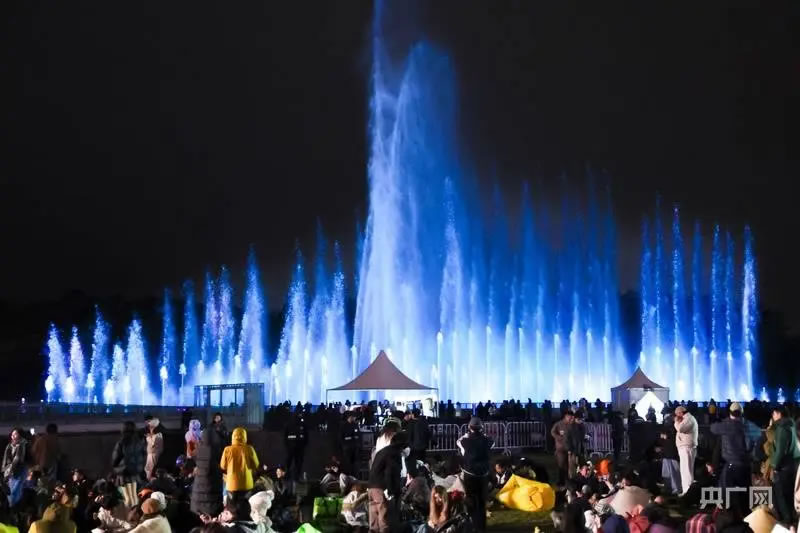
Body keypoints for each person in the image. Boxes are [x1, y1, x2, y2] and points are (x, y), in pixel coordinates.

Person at [709, 401, 751, 515]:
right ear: (741, 413)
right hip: (746, 464)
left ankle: (728, 514)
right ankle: (745, 514)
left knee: (725, 490)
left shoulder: (727, 425)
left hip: (732, 464)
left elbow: (712, 428)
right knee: (745, 492)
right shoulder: (747, 425)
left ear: (730, 412)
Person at [457, 416, 494, 532]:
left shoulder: (464, 441)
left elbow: (459, 441)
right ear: (481, 427)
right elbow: (491, 441)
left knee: (471, 500)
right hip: (483, 474)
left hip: (470, 474)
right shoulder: (488, 441)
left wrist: (468, 434)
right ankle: (481, 527)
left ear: (469, 427)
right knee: (482, 501)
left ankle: (472, 525)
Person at [368, 431, 407, 533]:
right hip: (382, 488)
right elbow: (390, 472)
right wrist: (390, 490)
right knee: (385, 519)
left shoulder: (382, 451)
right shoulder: (394, 453)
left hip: (372, 487)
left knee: (374, 521)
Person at [769, 405, 800, 525]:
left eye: (773, 414)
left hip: (783, 467)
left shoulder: (781, 428)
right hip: (793, 464)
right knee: (791, 494)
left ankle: (787, 523)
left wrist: (774, 466)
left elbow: (780, 451)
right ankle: (793, 520)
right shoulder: (792, 425)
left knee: (781, 497)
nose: (773, 416)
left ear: (778, 413)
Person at [191, 425, 225, 517]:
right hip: (212, 490)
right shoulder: (217, 450)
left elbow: (193, 456)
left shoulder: (198, 450)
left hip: (198, 492)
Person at [220, 427, 260, 499]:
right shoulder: (249, 449)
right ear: (245, 437)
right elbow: (256, 465)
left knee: (233, 504)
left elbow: (223, 466)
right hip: (247, 484)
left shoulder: (227, 450)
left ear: (232, 437)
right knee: (245, 503)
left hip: (232, 485)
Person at [673, 405, 698, 495]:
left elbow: (680, 429)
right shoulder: (686, 419)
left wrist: (676, 422)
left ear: (680, 413)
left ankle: (688, 492)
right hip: (684, 448)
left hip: (687, 448)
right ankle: (685, 491)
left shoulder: (689, 419)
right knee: (684, 471)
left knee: (687, 471)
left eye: (677, 414)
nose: (676, 417)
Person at [2, 428, 28, 507]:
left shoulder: (23, 444)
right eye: (12, 434)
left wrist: (10, 468)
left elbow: (18, 458)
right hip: (11, 472)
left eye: (15, 434)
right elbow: (6, 458)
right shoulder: (9, 445)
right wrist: (6, 469)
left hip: (19, 471)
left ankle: (14, 507)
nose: (13, 436)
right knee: (11, 491)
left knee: (15, 491)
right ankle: (12, 508)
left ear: (20, 435)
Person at [551, 411, 575, 486]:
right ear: (566, 416)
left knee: (569, 465)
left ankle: (568, 480)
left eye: (571, 417)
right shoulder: (558, 424)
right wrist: (559, 437)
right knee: (561, 465)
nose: (571, 418)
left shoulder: (571, 425)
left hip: (569, 448)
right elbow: (552, 432)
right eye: (570, 417)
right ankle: (561, 481)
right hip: (560, 448)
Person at [659, 417, 681, 496]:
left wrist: (666, 436)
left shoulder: (676, 429)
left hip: (672, 454)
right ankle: (670, 488)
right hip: (668, 454)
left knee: (673, 473)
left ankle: (675, 489)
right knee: (668, 473)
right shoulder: (668, 428)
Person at [283, 412, 307, 480]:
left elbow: (285, 436)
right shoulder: (302, 425)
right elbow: (306, 436)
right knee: (297, 463)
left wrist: (287, 445)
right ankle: (296, 476)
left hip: (292, 447)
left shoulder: (288, 424)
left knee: (289, 462)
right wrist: (304, 445)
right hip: (298, 447)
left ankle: (288, 476)